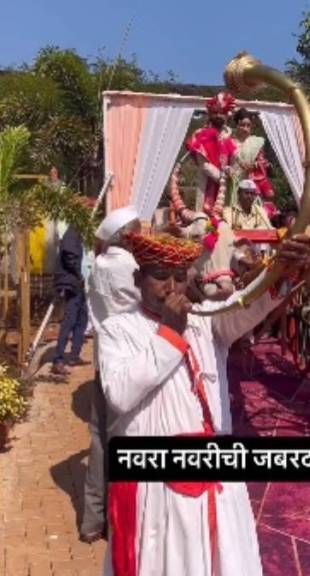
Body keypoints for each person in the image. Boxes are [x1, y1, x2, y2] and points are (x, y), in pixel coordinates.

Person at [98, 230, 310, 575]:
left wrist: (280, 270)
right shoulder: (117, 329)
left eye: (180, 277)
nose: (171, 287)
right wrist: (169, 332)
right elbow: (120, 395)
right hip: (158, 491)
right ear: (138, 279)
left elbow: (248, 303)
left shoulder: (206, 320)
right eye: (160, 276)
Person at [78, 206, 142, 544]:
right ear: (129, 236)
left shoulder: (99, 265)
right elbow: (147, 301)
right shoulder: (128, 266)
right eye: (139, 232)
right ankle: (120, 523)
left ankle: (92, 521)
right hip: (128, 364)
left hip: (103, 360)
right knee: (124, 443)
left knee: (98, 441)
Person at [186, 92, 238, 214]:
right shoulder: (200, 134)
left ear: (227, 115)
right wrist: (222, 178)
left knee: (224, 217)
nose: (219, 116)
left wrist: (231, 171)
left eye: (222, 113)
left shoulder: (229, 139)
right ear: (210, 114)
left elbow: (234, 160)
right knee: (204, 217)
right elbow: (203, 164)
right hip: (207, 182)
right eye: (216, 112)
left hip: (225, 188)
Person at [52, 226, 89, 376]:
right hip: (71, 283)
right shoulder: (72, 233)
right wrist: (79, 274)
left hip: (76, 284)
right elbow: (69, 256)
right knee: (70, 321)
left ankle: (74, 355)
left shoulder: (75, 233)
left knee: (82, 318)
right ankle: (58, 360)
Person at [230, 108, 275, 217]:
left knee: (255, 213)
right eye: (242, 125)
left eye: (248, 125)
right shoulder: (229, 142)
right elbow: (224, 163)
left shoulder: (256, 142)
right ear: (236, 125)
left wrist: (258, 165)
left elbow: (261, 162)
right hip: (233, 184)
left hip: (252, 184)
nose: (246, 128)